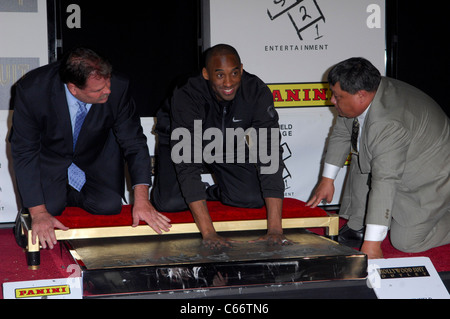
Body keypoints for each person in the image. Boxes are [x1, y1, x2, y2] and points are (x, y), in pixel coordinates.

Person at [10, 47, 171, 250]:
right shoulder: (32, 90)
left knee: (108, 206)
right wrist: (38, 212)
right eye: (98, 91)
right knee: (49, 208)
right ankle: (54, 196)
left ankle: (69, 194)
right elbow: (24, 152)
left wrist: (142, 199)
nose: (108, 91)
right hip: (51, 156)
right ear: (73, 88)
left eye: (108, 83)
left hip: (95, 153)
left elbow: (134, 142)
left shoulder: (119, 87)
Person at [307, 57, 450, 259]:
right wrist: (327, 180)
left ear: (361, 96)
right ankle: (360, 224)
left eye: (337, 96)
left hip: (431, 176)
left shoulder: (388, 124)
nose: (332, 100)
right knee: (362, 152)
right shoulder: (368, 90)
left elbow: (385, 181)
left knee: (407, 241)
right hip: (403, 159)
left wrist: (372, 245)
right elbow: (342, 132)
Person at [151, 44, 286, 248]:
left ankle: (211, 192)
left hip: (225, 141)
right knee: (170, 203)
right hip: (177, 142)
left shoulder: (256, 91)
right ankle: (186, 191)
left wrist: (275, 230)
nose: (229, 82)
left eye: (234, 73)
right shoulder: (187, 92)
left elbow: (270, 154)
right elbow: (187, 160)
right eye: (220, 75)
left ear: (241, 69)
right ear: (206, 74)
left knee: (253, 198)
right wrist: (209, 233)